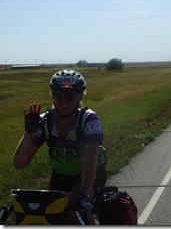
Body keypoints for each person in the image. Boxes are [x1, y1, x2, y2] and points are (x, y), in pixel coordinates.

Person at [13, 69, 107, 224]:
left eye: (70, 96)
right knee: (51, 216)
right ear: (53, 95)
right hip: (60, 177)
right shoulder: (45, 122)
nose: (64, 100)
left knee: (76, 208)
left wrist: (83, 193)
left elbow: (89, 163)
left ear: (79, 97)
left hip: (90, 174)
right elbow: (19, 164)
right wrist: (28, 133)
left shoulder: (89, 119)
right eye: (59, 95)